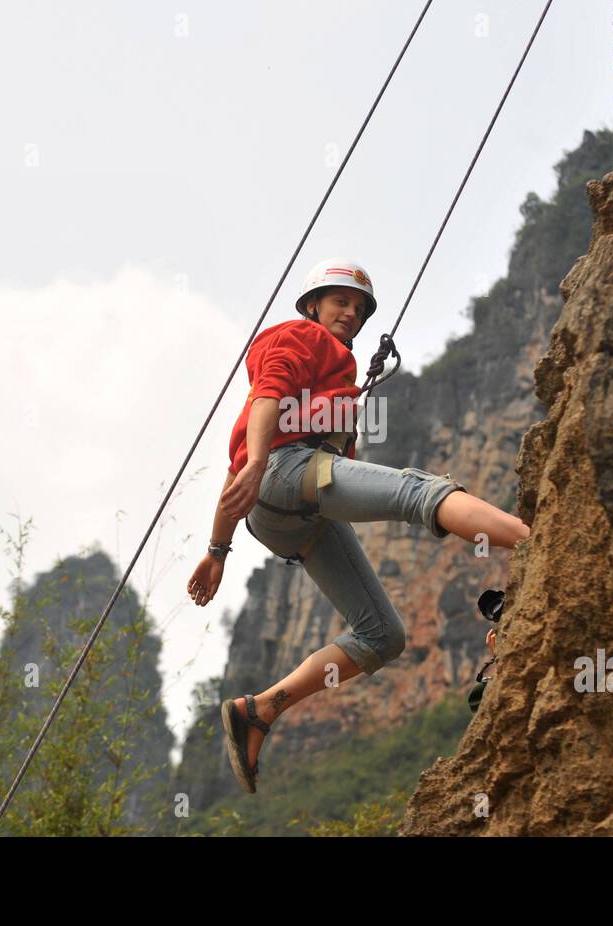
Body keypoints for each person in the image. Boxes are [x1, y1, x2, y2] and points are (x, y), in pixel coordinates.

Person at [186, 258, 531, 793]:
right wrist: (258, 463)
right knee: (420, 491)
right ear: (313, 306)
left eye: (358, 306)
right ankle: (537, 540)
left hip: (281, 512)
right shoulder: (299, 336)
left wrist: (218, 549)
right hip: (283, 474)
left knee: (382, 635)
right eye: (338, 301)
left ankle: (258, 711)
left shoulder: (337, 375)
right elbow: (265, 399)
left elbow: (238, 475)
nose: (350, 312)